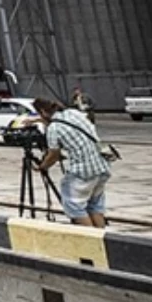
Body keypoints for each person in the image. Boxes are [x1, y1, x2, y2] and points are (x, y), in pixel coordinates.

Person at [33, 97, 110, 228]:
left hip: (83, 173)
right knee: (94, 206)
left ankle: (90, 240)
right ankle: (102, 239)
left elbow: (53, 155)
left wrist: (42, 167)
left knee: (74, 207)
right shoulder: (74, 113)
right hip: (101, 166)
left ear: (42, 111)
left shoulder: (54, 128)